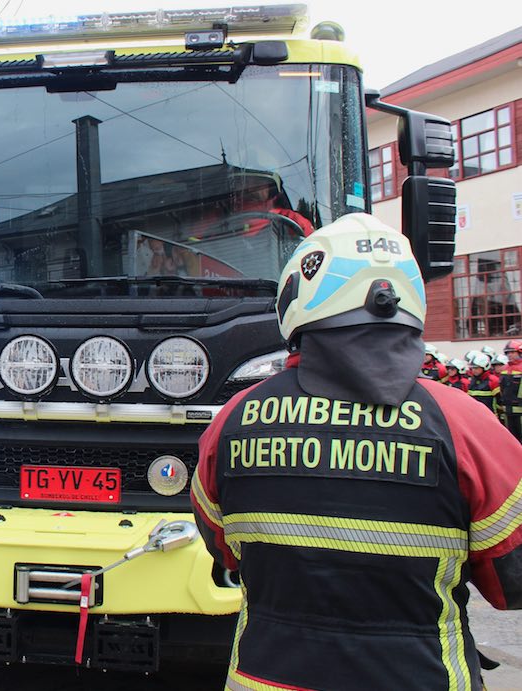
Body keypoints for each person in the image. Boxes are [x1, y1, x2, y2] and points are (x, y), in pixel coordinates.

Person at [191, 213, 522, 690]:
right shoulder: (464, 424)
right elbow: (512, 583)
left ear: (297, 299)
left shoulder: (233, 419)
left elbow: (225, 549)